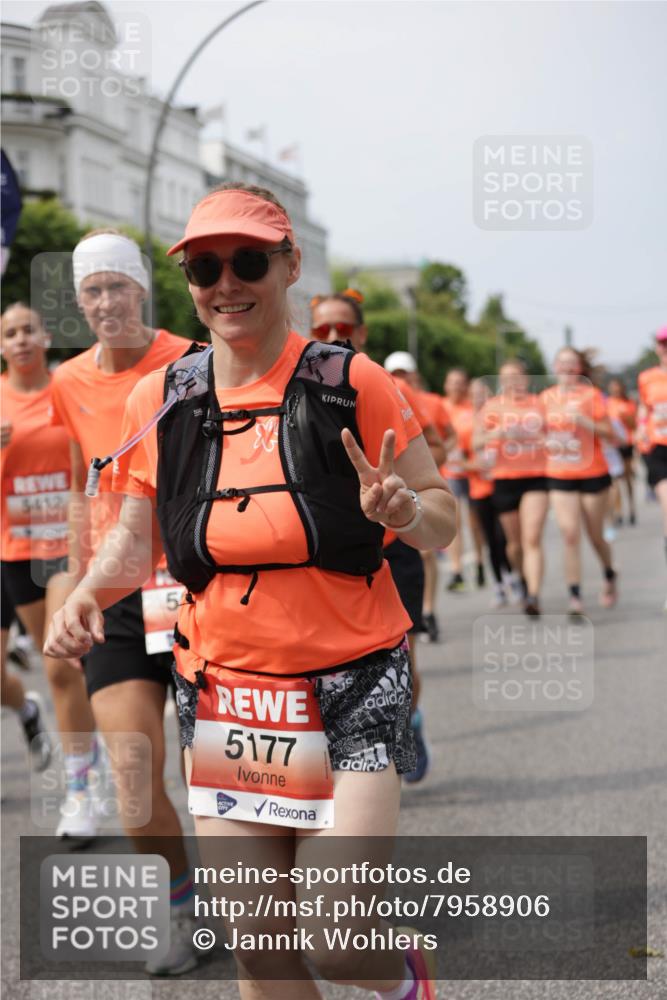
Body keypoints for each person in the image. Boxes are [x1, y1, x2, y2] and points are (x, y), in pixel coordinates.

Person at [46, 184, 457, 1000]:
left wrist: (405, 511)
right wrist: (89, 589)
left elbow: (441, 519)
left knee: (337, 942)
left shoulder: (353, 380)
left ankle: (405, 972)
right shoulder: (161, 396)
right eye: (204, 266)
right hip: (229, 694)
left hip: (350, 687)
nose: (224, 284)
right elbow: (133, 539)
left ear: (289, 265)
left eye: (246, 262)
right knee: (261, 949)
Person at [47, 229, 199, 975]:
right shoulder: (68, 380)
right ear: (79, 301)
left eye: (118, 286)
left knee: (222, 779)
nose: (107, 302)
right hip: (119, 594)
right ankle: (181, 914)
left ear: (143, 289)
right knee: (134, 775)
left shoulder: (191, 361)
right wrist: (76, 589)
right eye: (93, 291)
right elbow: (84, 485)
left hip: (200, 587)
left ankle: (274, 903)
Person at [309, 301, 446, 785]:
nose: (331, 332)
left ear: (361, 332)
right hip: (331, 558)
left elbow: (434, 455)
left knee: (400, 660)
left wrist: (403, 499)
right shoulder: (296, 386)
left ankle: (408, 719)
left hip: (391, 546)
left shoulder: (384, 384)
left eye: (341, 326)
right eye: (322, 325)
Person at [0, 302, 69, 772]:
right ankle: (27, 710)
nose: (21, 339)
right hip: (12, 547)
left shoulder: (69, 388)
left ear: (45, 337)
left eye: (29, 330)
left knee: (60, 660)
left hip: (68, 546)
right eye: (10, 333)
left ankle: (81, 770)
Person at [382, 353, 453, 645]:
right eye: (323, 329)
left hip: (408, 507)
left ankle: (427, 610)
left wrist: (411, 470)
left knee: (425, 550)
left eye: (403, 372)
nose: (334, 334)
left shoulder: (394, 388)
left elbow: (442, 442)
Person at [542, 347, 617, 614]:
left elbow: (610, 433)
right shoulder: (545, 398)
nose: (566, 368)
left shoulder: (592, 395)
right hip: (559, 473)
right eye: (561, 363)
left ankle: (609, 574)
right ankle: (575, 596)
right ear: (554, 366)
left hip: (593, 473)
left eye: (572, 364)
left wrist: (583, 421)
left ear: (580, 368)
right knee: (570, 534)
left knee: (595, 535)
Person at [475, 361, 548, 616]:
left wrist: (540, 438)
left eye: (516, 377)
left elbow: (557, 436)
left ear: (526, 379)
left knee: (532, 539)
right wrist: (499, 435)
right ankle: (523, 578)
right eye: (506, 378)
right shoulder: (492, 407)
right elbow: (476, 441)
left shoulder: (539, 404)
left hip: (536, 477)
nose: (512, 382)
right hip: (505, 478)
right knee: (515, 544)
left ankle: (534, 595)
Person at [461, 378, 516, 608]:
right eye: (474, 394)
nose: (478, 398)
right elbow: (458, 460)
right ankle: (499, 585)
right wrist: (475, 467)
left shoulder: (499, 417)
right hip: (478, 488)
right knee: (490, 540)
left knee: (505, 538)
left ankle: (514, 577)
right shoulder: (463, 421)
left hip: (502, 485)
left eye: (483, 393)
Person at [440, 368, 485, 591]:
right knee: (454, 522)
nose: (456, 386)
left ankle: (479, 562)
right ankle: (456, 570)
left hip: (473, 472)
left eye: (460, 382)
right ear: (446, 385)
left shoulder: (473, 409)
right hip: (451, 472)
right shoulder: (441, 407)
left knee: (475, 523)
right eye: (452, 382)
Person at [637, 326, 667, 610]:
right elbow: (644, 410)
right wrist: (640, 431)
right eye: (663, 344)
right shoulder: (647, 378)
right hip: (660, 451)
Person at [606, 377, 637, 525]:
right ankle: (618, 511)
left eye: (617, 387)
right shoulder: (607, 403)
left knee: (628, 478)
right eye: (613, 387)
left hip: (627, 444)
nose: (615, 390)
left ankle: (631, 507)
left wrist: (626, 417)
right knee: (615, 480)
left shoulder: (628, 403)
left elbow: (634, 425)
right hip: (613, 446)